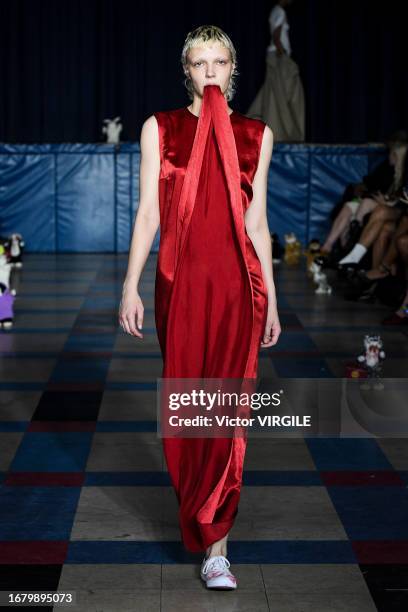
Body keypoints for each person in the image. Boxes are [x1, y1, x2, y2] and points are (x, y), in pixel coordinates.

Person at [118, 25, 281, 590]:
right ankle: (198, 512)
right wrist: (130, 285)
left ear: (233, 68)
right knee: (187, 409)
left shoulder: (257, 134)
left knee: (226, 412)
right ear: (185, 70)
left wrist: (273, 302)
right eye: (198, 62)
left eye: (218, 62)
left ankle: (218, 549)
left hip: (238, 289)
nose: (209, 71)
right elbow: (147, 213)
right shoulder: (159, 129)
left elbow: (257, 226)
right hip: (181, 287)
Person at [246, 0, 305, 141]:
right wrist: (281, 52)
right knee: (284, 92)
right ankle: (285, 132)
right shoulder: (279, 11)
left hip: (275, 55)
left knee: (273, 92)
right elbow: (276, 34)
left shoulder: (275, 11)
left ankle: (263, 128)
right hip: (278, 55)